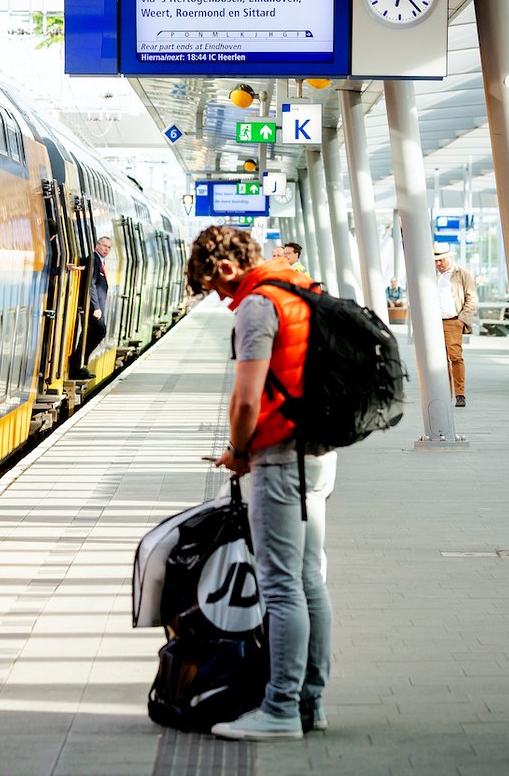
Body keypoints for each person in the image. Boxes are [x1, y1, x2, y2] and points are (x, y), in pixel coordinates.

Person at [186, 226, 335, 741]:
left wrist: (239, 452)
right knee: (310, 580)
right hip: (317, 453)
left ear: (226, 268)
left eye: (217, 289)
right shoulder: (300, 290)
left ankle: (280, 710)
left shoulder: (258, 304)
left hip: (279, 456)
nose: (223, 300)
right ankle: (309, 703)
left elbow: (247, 399)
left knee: (280, 585)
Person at [433, 242, 478, 407]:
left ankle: (460, 393)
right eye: (436, 261)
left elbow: (472, 298)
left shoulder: (462, 274)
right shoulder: (432, 275)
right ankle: (445, 394)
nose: (438, 264)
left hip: (453, 321)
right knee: (439, 360)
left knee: (455, 357)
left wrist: (462, 319)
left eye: (441, 260)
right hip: (434, 323)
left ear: (449, 257)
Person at [74, 235, 111, 378]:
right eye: (104, 246)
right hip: (92, 307)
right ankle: (79, 363)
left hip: (96, 307)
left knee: (89, 334)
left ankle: (81, 365)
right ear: (97, 246)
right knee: (99, 330)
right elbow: (91, 284)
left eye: (109, 247)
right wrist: (96, 307)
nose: (106, 249)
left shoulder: (99, 261)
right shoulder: (93, 260)